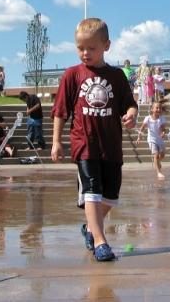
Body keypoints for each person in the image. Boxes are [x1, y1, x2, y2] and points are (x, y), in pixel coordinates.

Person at [51, 17, 138, 262]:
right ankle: (101, 241)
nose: (85, 53)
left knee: (110, 196)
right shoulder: (72, 75)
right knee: (92, 189)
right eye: (80, 48)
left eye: (91, 48)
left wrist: (131, 114)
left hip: (110, 145)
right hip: (84, 143)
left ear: (106, 46)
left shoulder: (117, 75)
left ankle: (89, 227)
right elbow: (60, 111)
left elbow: (130, 104)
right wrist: (57, 141)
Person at [136, 102, 167, 179]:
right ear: (152, 109)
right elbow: (142, 128)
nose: (158, 109)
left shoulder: (162, 118)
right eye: (156, 108)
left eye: (159, 108)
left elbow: (163, 128)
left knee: (162, 155)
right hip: (151, 139)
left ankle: (158, 162)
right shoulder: (148, 118)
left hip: (159, 139)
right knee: (156, 155)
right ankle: (158, 172)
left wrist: (163, 132)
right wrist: (139, 137)